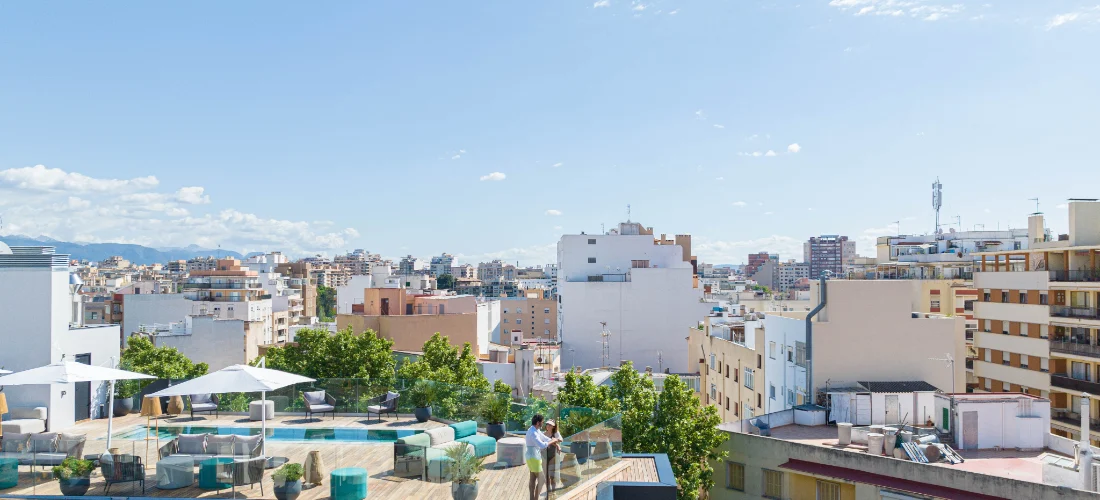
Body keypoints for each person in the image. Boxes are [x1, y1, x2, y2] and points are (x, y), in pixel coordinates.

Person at [526, 414, 561, 500]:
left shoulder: (534, 430)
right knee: (541, 480)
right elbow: (542, 445)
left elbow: (544, 438)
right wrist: (553, 441)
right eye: (542, 422)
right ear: (538, 423)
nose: (543, 424)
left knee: (533, 478)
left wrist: (555, 443)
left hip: (531, 457)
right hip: (534, 458)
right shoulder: (533, 433)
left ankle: (532, 498)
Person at [543, 419, 563, 492]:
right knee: (546, 475)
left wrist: (556, 442)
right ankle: (548, 491)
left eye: (550, 425)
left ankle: (553, 491)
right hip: (544, 455)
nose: (548, 426)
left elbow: (561, 439)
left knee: (552, 475)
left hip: (553, 455)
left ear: (553, 426)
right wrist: (556, 444)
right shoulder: (544, 434)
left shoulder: (555, 433)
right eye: (547, 424)